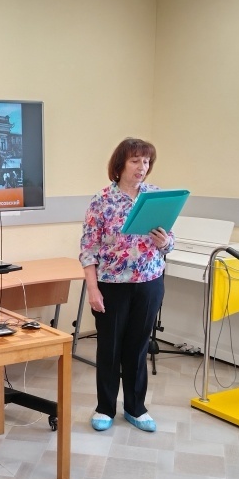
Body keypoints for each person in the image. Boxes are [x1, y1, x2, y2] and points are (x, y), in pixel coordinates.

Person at [79, 138, 174, 433]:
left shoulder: (156, 197)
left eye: (146, 161)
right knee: (110, 348)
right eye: (135, 161)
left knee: (137, 347)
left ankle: (136, 408)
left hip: (149, 283)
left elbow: (170, 241)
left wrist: (165, 242)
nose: (141, 167)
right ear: (120, 164)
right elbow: (88, 249)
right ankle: (105, 407)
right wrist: (93, 289)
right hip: (112, 284)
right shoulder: (101, 200)